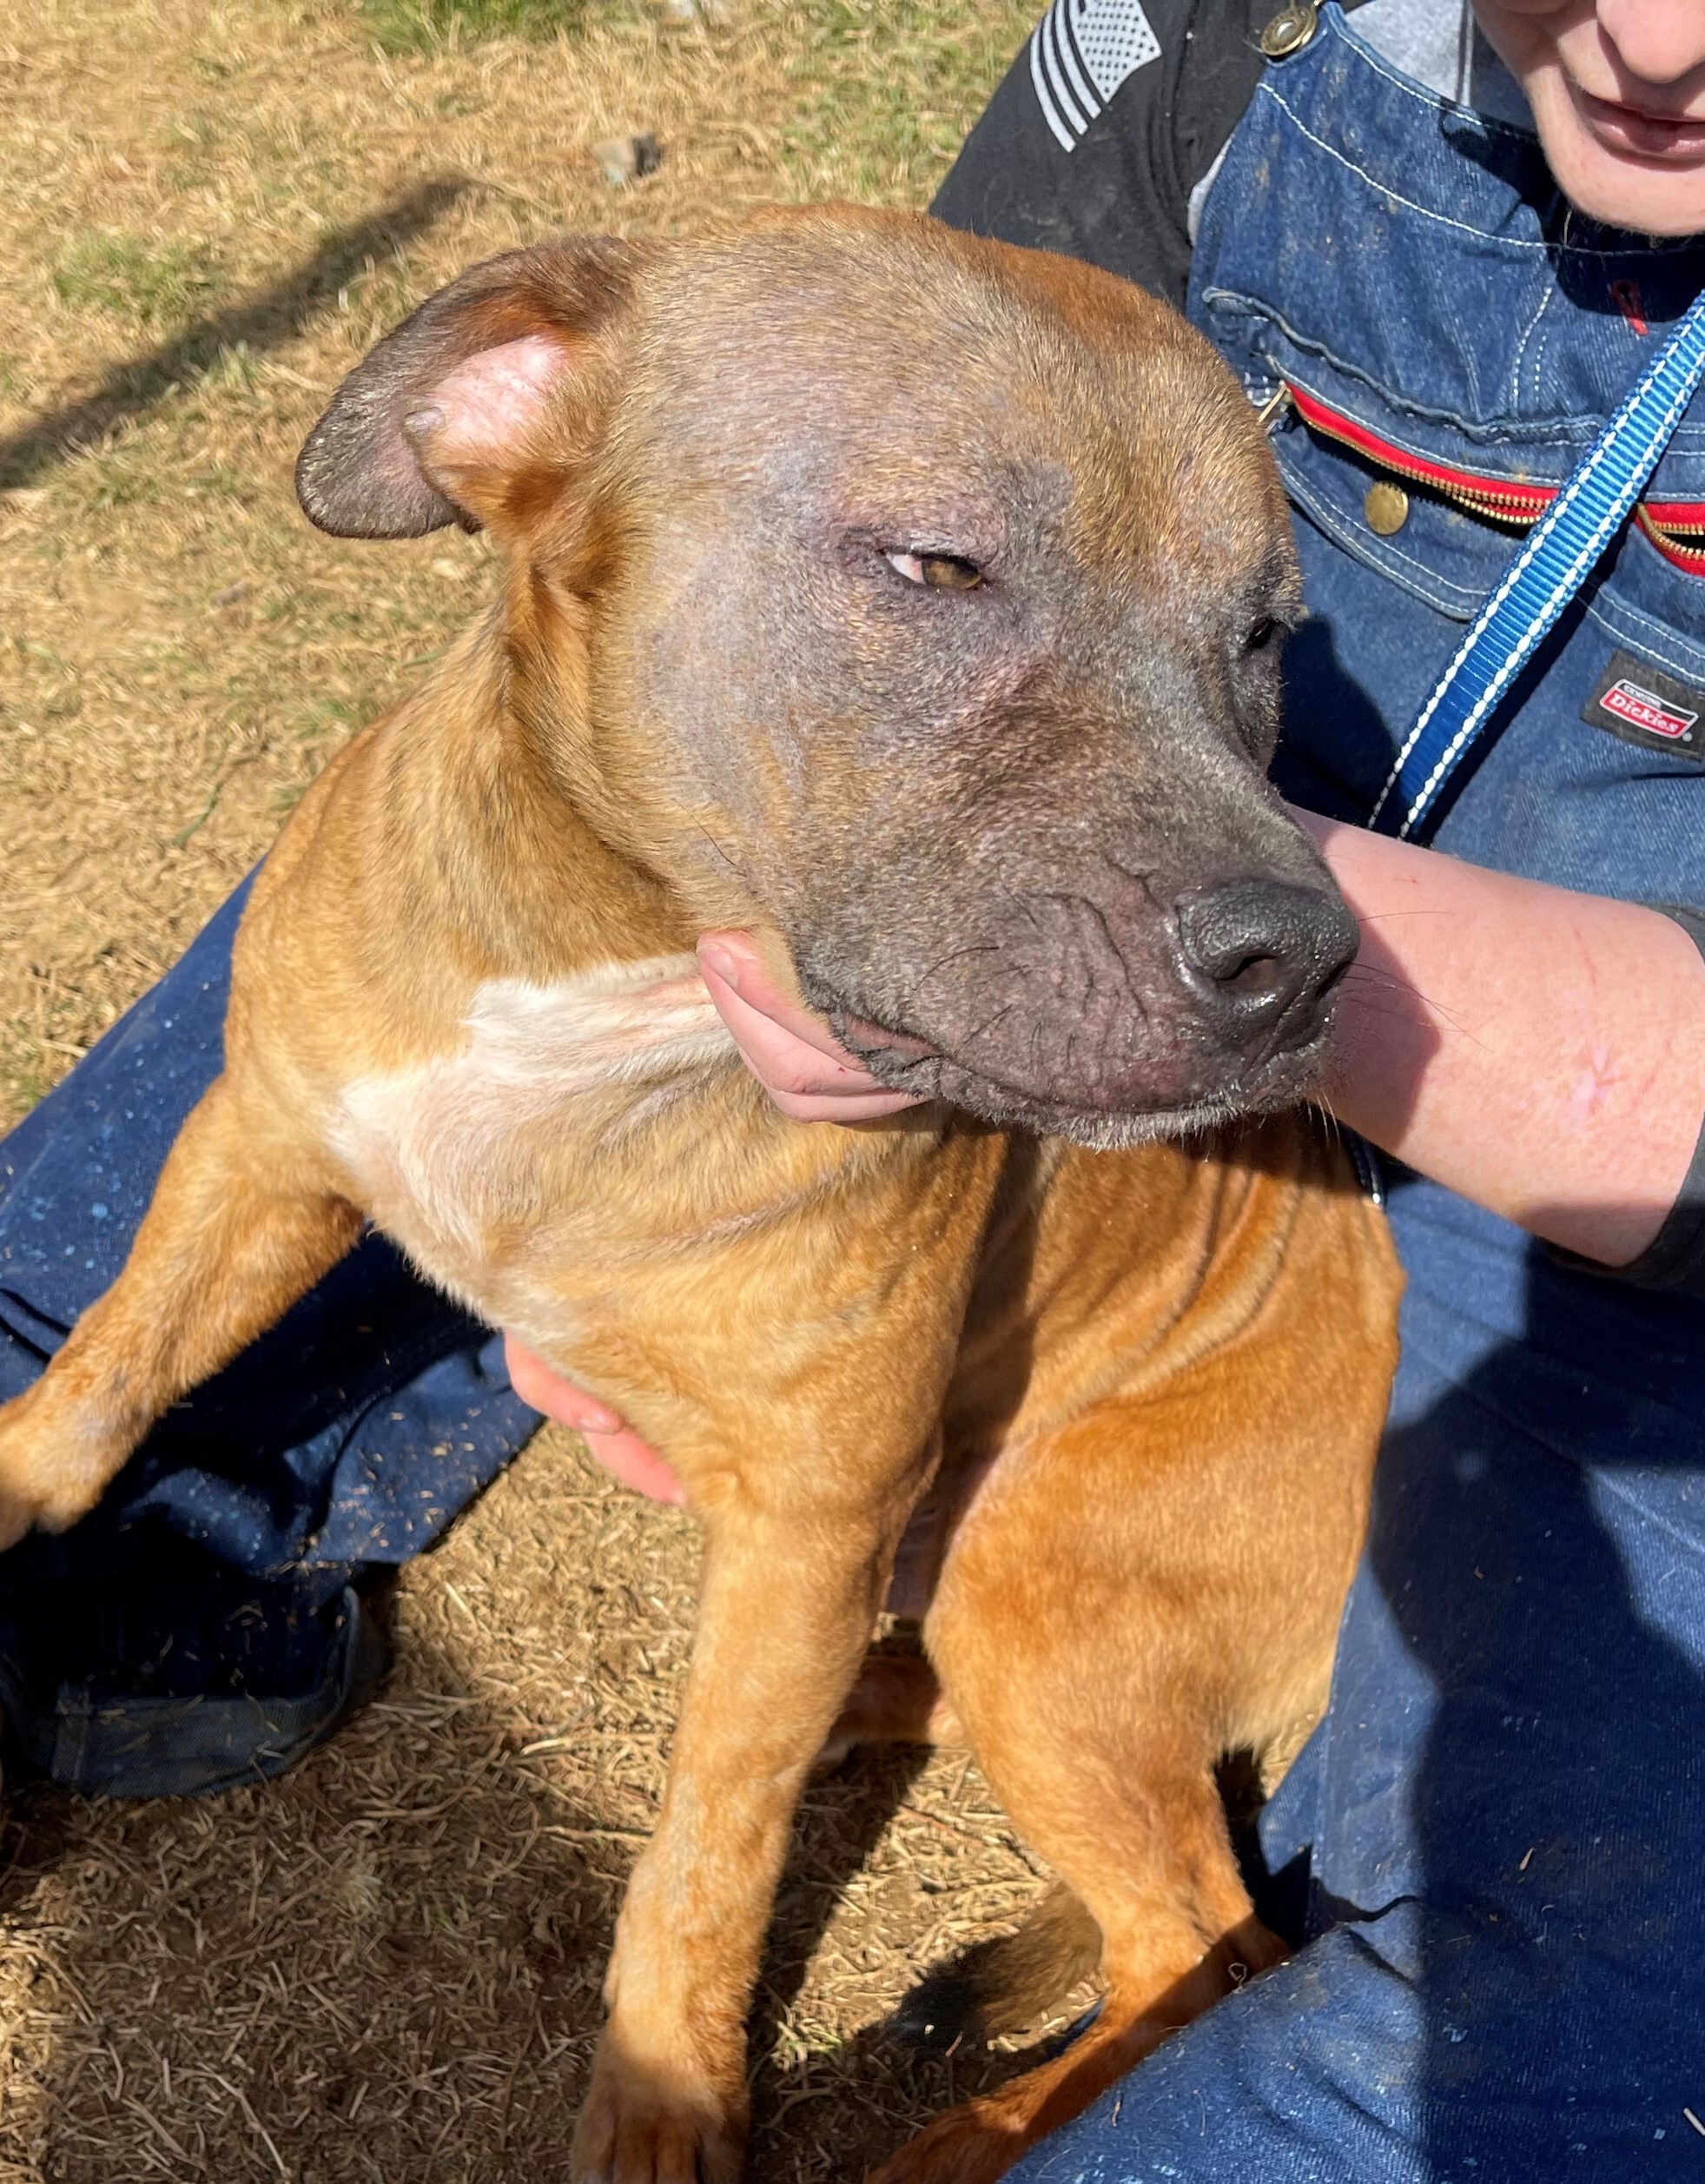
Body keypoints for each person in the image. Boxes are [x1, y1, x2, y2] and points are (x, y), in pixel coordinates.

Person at [506, 2, 1705, 2175]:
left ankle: (1173, 1994)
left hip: (1606, 1235)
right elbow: (773, 529)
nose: (1649, 30)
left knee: (1544, 2033)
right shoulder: (1213, 48)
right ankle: (121, 1493)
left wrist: (1101, 919)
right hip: (1156, 929)